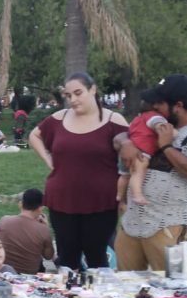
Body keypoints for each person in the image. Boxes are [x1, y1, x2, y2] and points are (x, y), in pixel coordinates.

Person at [114, 74, 187, 271]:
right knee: (123, 287)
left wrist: (166, 146)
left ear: (178, 106)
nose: (154, 106)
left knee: (172, 289)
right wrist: (126, 142)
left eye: (160, 102)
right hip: (131, 224)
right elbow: (123, 134)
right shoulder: (155, 121)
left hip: (167, 226)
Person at [28, 72, 129, 271]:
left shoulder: (113, 120)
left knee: (97, 255)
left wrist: (125, 188)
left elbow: (132, 151)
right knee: (67, 256)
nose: (73, 99)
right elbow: (34, 136)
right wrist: (48, 159)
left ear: (93, 90)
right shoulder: (59, 119)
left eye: (78, 93)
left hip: (101, 202)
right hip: (62, 200)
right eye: (68, 95)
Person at [123, 94, 169, 206]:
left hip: (131, 148)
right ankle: (137, 195)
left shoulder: (137, 118)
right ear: (155, 105)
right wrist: (165, 130)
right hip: (142, 152)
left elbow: (129, 131)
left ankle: (121, 196)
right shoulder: (154, 116)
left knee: (126, 175)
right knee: (139, 173)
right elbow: (157, 123)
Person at [0, 188, 55, 274]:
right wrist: (46, 228)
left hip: (4, 273)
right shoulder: (43, 229)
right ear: (40, 208)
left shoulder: (3, 221)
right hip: (29, 277)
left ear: (20, 204)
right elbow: (49, 256)